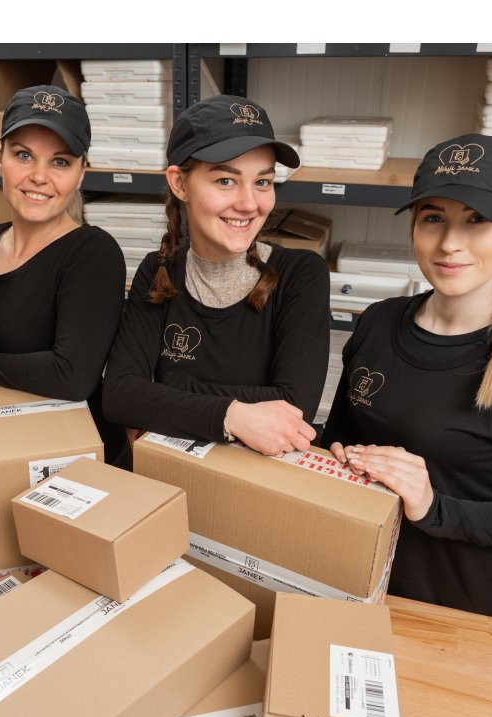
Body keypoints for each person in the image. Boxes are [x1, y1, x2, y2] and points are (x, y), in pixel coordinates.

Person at [321, 133, 492, 623]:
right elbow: (339, 435)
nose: (449, 243)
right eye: (433, 218)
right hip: (360, 574)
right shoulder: (378, 321)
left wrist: (433, 506)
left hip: (465, 604)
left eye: (477, 220)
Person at [102, 95, 329, 456]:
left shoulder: (301, 274)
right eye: (226, 181)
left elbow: (294, 407)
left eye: (263, 182)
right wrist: (233, 416)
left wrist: (168, 386)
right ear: (179, 183)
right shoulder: (158, 270)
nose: (249, 204)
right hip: (166, 473)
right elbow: (119, 396)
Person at [0, 85, 127, 463]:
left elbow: (71, 375)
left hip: (76, 457)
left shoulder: (93, 253)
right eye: (24, 155)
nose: (39, 176)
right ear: (0, 159)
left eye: (60, 162)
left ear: (81, 173)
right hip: (3, 440)